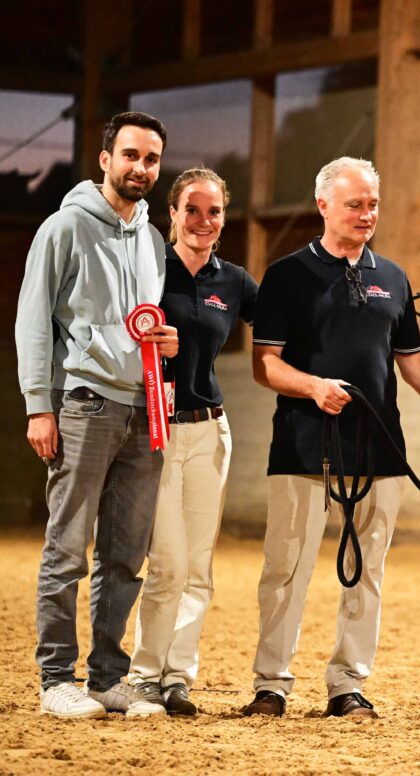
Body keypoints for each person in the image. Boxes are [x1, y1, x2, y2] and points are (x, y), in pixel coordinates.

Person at [243, 157, 420, 719]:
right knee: (285, 571)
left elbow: (416, 369)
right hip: (301, 449)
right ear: (324, 206)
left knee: (368, 574)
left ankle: (348, 685)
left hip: (379, 453)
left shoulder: (391, 278)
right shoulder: (286, 276)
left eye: (372, 204)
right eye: (354, 204)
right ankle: (271, 684)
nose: (366, 214)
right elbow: (264, 365)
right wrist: (313, 387)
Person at [16, 111, 180, 719]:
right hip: (83, 405)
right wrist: (40, 406)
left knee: (125, 553)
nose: (142, 168)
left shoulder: (153, 239)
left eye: (152, 159)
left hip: (143, 411)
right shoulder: (62, 228)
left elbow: (143, 321)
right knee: (67, 548)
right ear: (106, 160)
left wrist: (163, 347)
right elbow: (33, 321)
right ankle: (56, 679)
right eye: (131, 155)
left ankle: (109, 677)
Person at [126, 168, 258, 716]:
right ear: (172, 215)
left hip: (211, 430)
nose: (204, 221)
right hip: (156, 430)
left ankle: (178, 677)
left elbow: (287, 327)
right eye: (192, 210)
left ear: (224, 217)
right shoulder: (148, 271)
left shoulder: (236, 282)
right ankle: (141, 675)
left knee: (199, 565)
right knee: (168, 563)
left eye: (214, 211)